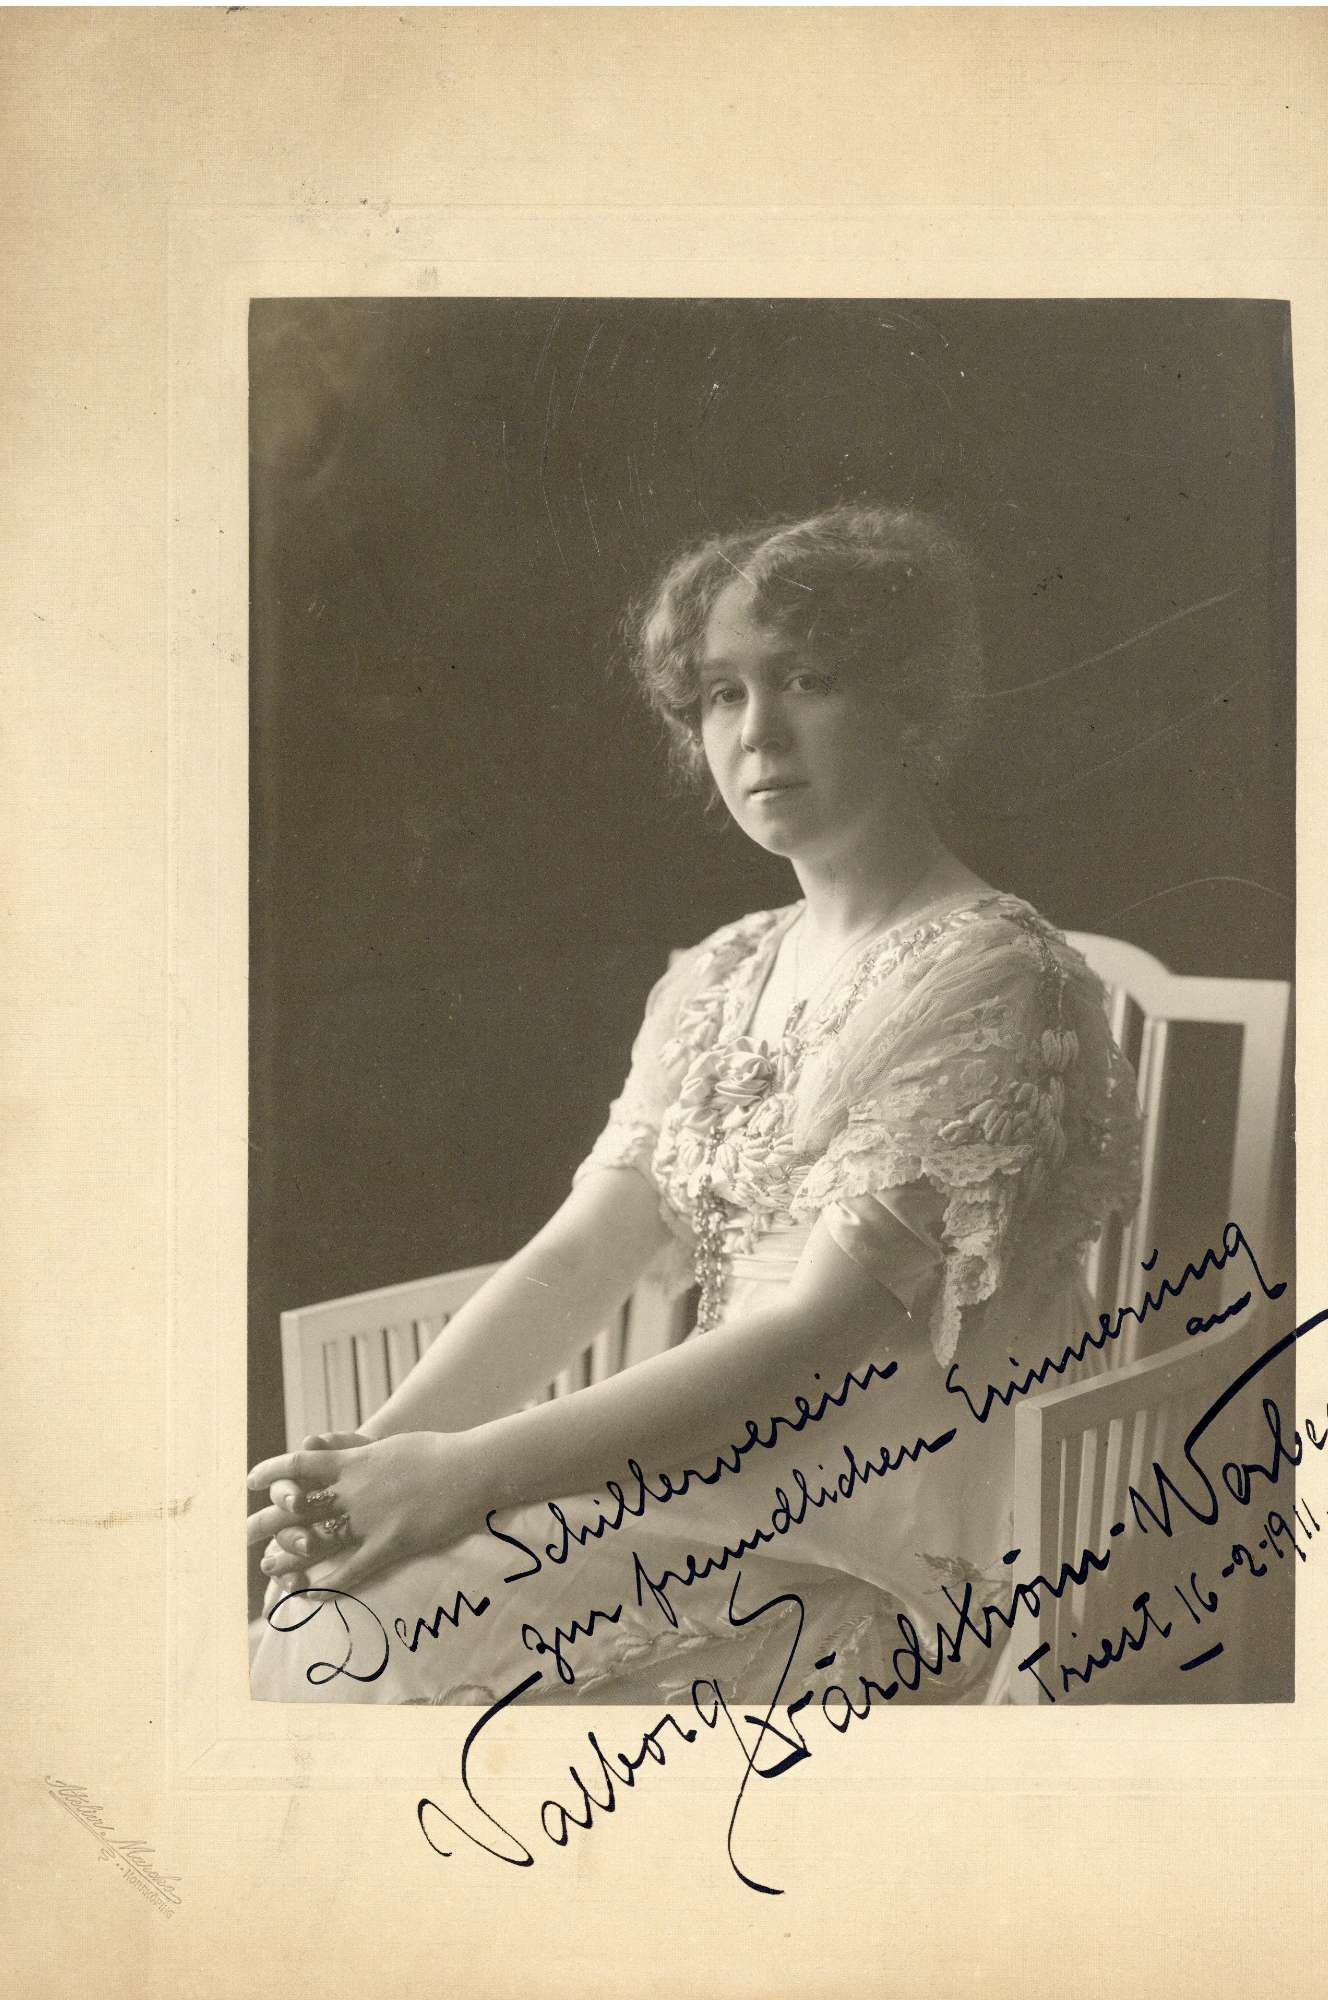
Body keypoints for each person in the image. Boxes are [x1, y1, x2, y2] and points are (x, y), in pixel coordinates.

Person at [247, 502, 1143, 1708]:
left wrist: (457, 1474)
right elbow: (579, 1253)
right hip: (701, 1485)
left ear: (908, 703)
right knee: (334, 1603)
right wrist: (363, 1472)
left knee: (363, 1637)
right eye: (721, 693)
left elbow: (814, 1336)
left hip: (874, 1543)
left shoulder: (987, 972)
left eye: (807, 678)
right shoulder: (722, 971)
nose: (757, 730)